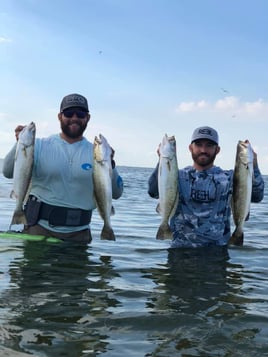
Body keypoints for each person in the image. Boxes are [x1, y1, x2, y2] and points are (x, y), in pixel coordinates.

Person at [3, 93, 123, 243]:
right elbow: (7, 172)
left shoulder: (96, 152)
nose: (74, 118)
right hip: (38, 231)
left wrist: (110, 164)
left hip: (79, 236)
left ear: (87, 118)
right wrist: (19, 143)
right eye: (68, 113)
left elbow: (117, 193)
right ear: (60, 117)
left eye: (80, 114)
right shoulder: (38, 145)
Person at [148, 126, 264, 248]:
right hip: (180, 254)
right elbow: (153, 192)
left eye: (209, 145)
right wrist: (162, 161)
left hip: (217, 256)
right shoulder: (177, 177)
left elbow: (257, 196)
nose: (203, 150)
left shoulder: (229, 178)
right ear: (190, 148)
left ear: (217, 150)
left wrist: (254, 167)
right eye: (198, 144)